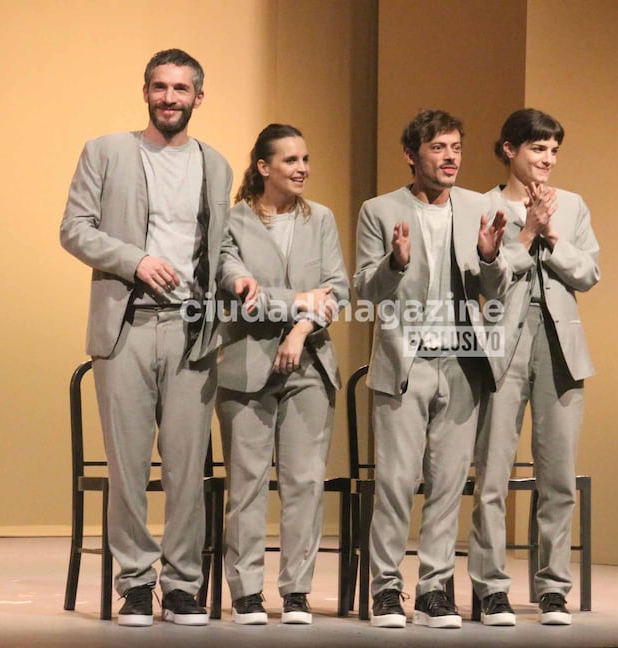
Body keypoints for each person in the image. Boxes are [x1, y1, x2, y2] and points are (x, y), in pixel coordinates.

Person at [60, 48, 238, 627]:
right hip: (127, 325)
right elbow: (74, 229)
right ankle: (135, 583)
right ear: (145, 92)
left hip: (191, 329)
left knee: (188, 467)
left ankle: (184, 584)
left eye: (180, 89)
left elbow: (218, 247)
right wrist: (135, 260)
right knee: (128, 465)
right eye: (159, 87)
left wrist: (235, 282)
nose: (169, 98)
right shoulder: (106, 151)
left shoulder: (216, 164)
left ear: (198, 98)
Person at [354, 109, 509, 629]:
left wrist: (490, 257)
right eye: (439, 148)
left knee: (447, 484)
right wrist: (394, 263)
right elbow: (365, 289)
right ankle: (384, 588)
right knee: (397, 482)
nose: (450, 158)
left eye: (456, 148)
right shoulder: (379, 210)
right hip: (406, 361)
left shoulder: (480, 207)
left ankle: (435, 589)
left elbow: (498, 287)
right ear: (412, 155)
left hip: (463, 361)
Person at [214, 124, 350, 626]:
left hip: (309, 363)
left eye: (306, 159)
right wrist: (295, 301)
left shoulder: (322, 219)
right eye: (290, 160)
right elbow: (236, 287)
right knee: (246, 484)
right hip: (246, 364)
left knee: (304, 483)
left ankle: (296, 591)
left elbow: (337, 289)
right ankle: (247, 591)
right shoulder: (233, 222)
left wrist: (299, 331)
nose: (302, 169)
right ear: (264, 167)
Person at [469, 108, 600, 626]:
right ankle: (492, 588)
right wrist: (525, 234)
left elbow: (589, 272)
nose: (546, 159)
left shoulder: (572, 205)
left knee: (557, 475)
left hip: (560, 346)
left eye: (553, 151)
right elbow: (487, 281)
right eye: (536, 149)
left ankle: (552, 589)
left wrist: (550, 235)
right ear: (509, 150)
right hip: (503, 342)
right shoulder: (482, 205)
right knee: (493, 473)